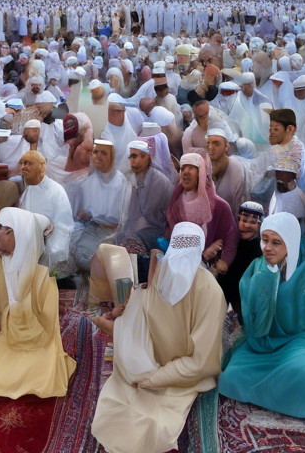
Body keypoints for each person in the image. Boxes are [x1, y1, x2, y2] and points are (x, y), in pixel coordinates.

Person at [90, 222, 228, 453]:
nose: (181, 256)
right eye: (178, 246)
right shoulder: (164, 274)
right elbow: (144, 316)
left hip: (184, 376)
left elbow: (203, 361)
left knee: (155, 428)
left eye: (187, 247)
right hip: (151, 359)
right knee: (113, 412)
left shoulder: (210, 291)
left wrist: (155, 378)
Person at [217, 212, 305, 418]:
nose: (267, 247)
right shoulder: (258, 267)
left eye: (276, 242)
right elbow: (255, 325)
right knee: (231, 377)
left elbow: (304, 321)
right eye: (265, 240)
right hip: (262, 344)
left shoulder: (304, 266)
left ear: (291, 243)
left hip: (298, 341)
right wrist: (266, 279)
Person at [0, 207, 76, 399]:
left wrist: (23, 327)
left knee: (42, 380)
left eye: (1, 228)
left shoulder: (43, 273)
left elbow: (48, 323)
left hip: (38, 343)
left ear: (14, 232)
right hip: (10, 339)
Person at [164, 152, 237, 274]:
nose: (186, 172)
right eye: (183, 168)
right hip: (180, 268)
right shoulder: (176, 203)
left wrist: (224, 261)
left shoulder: (218, 205)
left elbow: (231, 235)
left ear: (200, 173)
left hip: (206, 272)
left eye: (191, 168)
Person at [67, 140, 129, 272]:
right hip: (94, 228)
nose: (98, 156)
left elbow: (116, 218)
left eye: (103, 153)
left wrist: (91, 213)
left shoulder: (120, 181)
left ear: (112, 157)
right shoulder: (89, 179)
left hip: (113, 232)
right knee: (81, 256)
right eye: (95, 152)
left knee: (106, 263)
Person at [15, 150, 74, 268]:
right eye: (22, 163)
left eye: (28, 164)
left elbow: (63, 228)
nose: (23, 168)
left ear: (42, 167)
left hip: (49, 256)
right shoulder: (29, 190)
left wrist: (50, 257)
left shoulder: (56, 191)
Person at [219, 201, 265, 324]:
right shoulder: (231, 245)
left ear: (260, 225)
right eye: (244, 221)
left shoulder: (261, 252)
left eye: (253, 222)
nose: (247, 226)